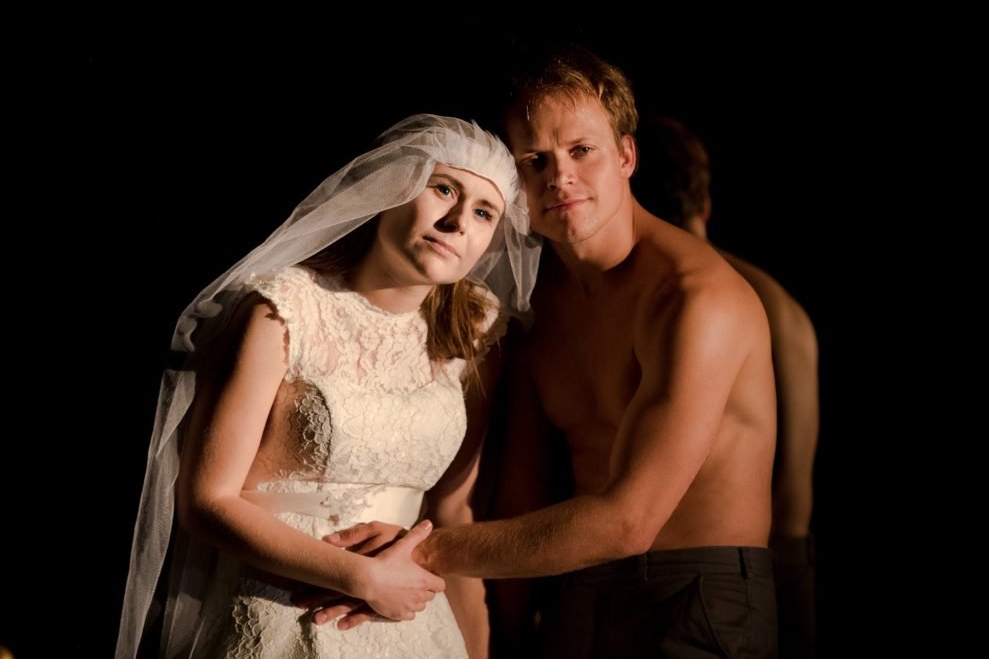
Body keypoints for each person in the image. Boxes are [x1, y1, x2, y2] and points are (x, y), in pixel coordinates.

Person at [322, 46, 780, 658]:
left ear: (626, 156)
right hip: (571, 586)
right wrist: (506, 635)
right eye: (534, 160)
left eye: (581, 150)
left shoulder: (695, 298)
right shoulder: (537, 308)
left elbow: (630, 521)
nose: (559, 177)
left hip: (696, 591)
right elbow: (519, 491)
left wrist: (417, 552)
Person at [115, 114, 541, 659]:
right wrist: (361, 578)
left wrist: (474, 644)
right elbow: (206, 500)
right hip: (278, 605)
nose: (458, 221)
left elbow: (452, 508)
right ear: (391, 188)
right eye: (443, 189)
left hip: (412, 618)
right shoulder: (283, 309)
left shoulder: (475, 332)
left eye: (484, 212)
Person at [633, 114, 820, 658]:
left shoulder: (672, 304)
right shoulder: (782, 306)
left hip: (701, 577)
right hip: (787, 556)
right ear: (706, 203)